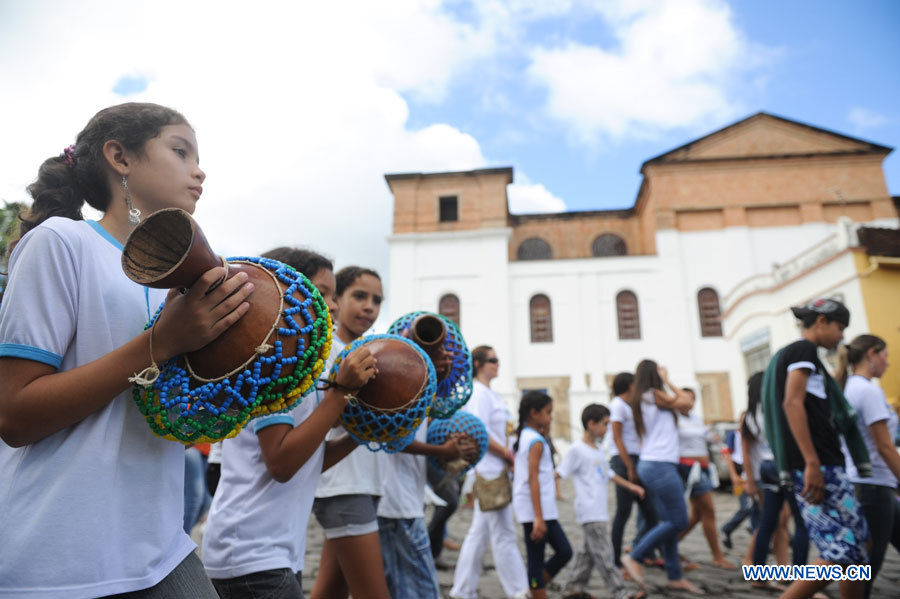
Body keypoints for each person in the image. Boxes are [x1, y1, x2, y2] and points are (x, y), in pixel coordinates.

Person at [0, 103, 253, 597]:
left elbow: (175, 412)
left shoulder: (180, 286)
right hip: (60, 557)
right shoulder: (60, 242)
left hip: (159, 547)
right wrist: (164, 342)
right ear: (120, 157)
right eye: (180, 151)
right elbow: (13, 415)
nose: (199, 170)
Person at [201, 248, 374, 598]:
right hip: (251, 554)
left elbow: (308, 460)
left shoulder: (301, 368)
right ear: (287, 291)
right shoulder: (276, 366)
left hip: (269, 553)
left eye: (333, 294)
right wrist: (339, 395)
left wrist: (362, 434)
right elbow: (280, 462)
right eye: (323, 292)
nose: (334, 305)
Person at [762, 298, 870, 599]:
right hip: (817, 465)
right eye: (840, 327)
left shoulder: (807, 357)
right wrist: (811, 462)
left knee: (857, 549)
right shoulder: (803, 350)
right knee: (840, 553)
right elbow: (792, 402)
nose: (841, 336)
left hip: (825, 462)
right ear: (821, 322)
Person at [310, 266, 391, 599]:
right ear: (337, 299)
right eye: (359, 296)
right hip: (342, 486)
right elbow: (317, 419)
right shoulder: (325, 351)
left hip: (365, 481)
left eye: (377, 300)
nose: (369, 306)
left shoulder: (375, 353)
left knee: (332, 591)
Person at [450, 346, 529, 599]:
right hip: (489, 469)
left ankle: (463, 589)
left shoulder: (492, 395)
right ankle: (518, 589)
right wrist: (507, 454)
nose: (498, 363)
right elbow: (478, 431)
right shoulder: (479, 394)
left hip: (497, 469)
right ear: (478, 363)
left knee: (479, 532)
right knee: (503, 532)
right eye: (493, 359)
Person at [621, 360, 703, 595]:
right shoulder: (653, 394)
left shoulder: (648, 398)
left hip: (654, 464)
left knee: (668, 520)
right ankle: (635, 555)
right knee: (679, 521)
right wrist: (667, 380)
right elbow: (687, 401)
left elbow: (684, 407)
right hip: (660, 465)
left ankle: (674, 576)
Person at [377, 419, 478, 599]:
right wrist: (442, 451)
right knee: (424, 591)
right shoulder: (406, 391)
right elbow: (392, 439)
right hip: (398, 503)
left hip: (400, 502)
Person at [558, 404, 647, 599]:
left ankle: (573, 588)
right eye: (605, 424)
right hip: (589, 510)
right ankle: (621, 593)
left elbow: (609, 474)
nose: (607, 429)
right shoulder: (576, 450)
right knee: (605, 555)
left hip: (600, 509)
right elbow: (560, 473)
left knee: (587, 554)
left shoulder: (598, 450)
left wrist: (631, 486)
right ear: (591, 424)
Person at [836, 334, 898, 598]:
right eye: (885, 356)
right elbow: (885, 447)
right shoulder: (868, 390)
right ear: (872, 354)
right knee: (864, 569)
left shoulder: (848, 387)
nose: (888, 363)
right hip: (873, 486)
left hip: (865, 484)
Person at [742, 372, 807, 591]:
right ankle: (801, 579)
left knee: (767, 523)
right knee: (801, 522)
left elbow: (748, 449)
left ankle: (759, 574)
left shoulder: (750, 414)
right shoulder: (776, 407)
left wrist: (750, 479)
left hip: (766, 466)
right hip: (784, 464)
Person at [513, 390, 573, 599]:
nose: (550, 417)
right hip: (535, 509)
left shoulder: (531, 436)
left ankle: (534, 590)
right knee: (536, 559)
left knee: (564, 551)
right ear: (534, 413)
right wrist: (538, 517)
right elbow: (533, 478)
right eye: (548, 413)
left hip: (542, 507)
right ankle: (537, 591)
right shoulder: (535, 441)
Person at [676, 388, 737, 570]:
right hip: (688, 468)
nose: (690, 402)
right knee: (707, 510)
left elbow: (708, 438)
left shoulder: (695, 419)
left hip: (702, 468)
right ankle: (717, 555)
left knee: (697, 515)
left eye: (692, 399)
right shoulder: (674, 418)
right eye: (686, 398)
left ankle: (667, 547)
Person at [608, 372, 658, 571]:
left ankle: (642, 550)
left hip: (636, 459)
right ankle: (615, 558)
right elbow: (617, 437)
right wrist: (629, 467)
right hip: (623, 461)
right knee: (623, 512)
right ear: (629, 385)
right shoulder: (617, 405)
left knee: (651, 514)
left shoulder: (630, 405)